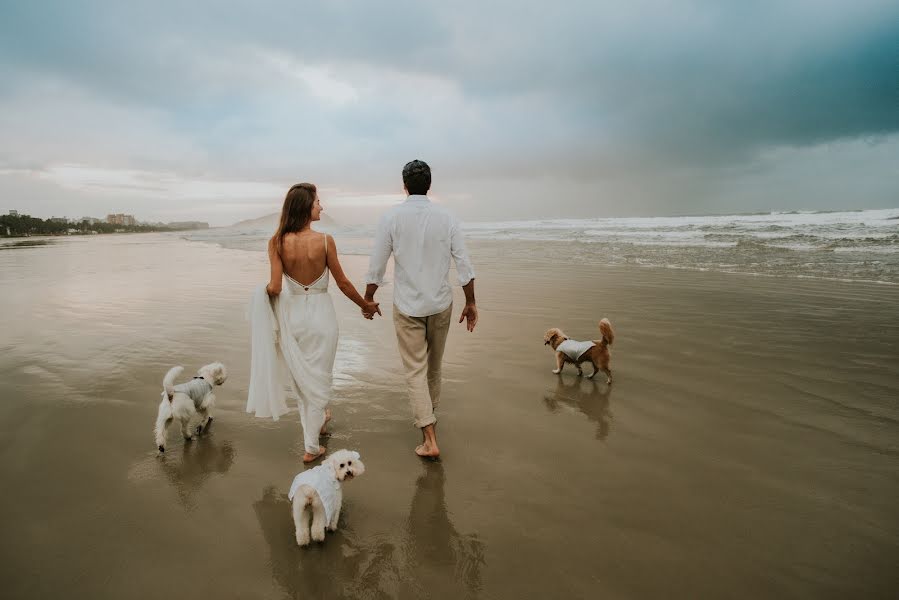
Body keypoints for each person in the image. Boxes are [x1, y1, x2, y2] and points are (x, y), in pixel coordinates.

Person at [247, 183, 380, 462]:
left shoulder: (276, 242)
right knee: (320, 376)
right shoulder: (325, 241)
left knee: (304, 380)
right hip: (322, 316)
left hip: (294, 316)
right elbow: (342, 283)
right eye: (318, 201)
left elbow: (274, 287)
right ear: (306, 206)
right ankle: (311, 448)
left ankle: (314, 432)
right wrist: (365, 305)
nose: (322, 206)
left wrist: (262, 298)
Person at [364, 160, 477, 458]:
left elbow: (377, 264)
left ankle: (429, 436)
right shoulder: (447, 217)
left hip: (408, 306)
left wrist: (368, 298)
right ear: (429, 185)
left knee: (415, 371)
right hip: (441, 304)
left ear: (404, 185)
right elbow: (463, 262)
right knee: (434, 365)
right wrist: (471, 301)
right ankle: (428, 414)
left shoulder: (391, 218)